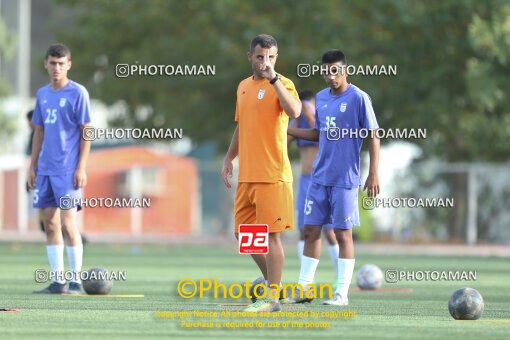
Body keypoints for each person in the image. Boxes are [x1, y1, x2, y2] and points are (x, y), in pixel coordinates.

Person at [284, 50, 380, 306]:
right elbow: (318, 133)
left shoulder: (359, 98)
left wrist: (373, 173)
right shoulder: (322, 98)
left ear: (345, 70)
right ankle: (304, 290)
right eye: (326, 71)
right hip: (318, 178)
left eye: (335, 70)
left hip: (345, 179)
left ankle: (341, 294)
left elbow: (373, 135)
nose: (330, 75)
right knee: (311, 231)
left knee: (342, 234)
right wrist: (288, 130)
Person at [221, 34, 301, 312]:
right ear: (250, 57)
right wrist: (229, 157)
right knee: (243, 235)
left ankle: (273, 298)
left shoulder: (284, 83)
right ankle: (274, 286)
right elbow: (242, 125)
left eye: (271, 57)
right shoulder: (242, 86)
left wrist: (275, 79)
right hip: (248, 175)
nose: (265, 61)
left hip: (274, 175)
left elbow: (295, 110)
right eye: (260, 56)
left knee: (271, 237)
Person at [28, 44, 92, 294]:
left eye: (61, 63)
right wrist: (32, 166)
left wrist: (81, 167)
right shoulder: (43, 94)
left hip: (67, 171)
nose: (56, 67)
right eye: (52, 63)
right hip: (45, 170)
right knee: (50, 224)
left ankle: (76, 281)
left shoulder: (78, 93)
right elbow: (39, 132)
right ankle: (58, 281)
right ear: (45, 64)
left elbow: (87, 131)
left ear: (69, 65)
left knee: (67, 223)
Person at [288, 90, 339, 277]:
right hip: (304, 181)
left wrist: (307, 110)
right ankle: (306, 280)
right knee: (304, 230)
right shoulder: (297, 123)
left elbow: (315, 126)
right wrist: (293, 122)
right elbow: (283, 142)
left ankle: (339, 276)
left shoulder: (321, 120)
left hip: (322, 180)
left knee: (330, 231)